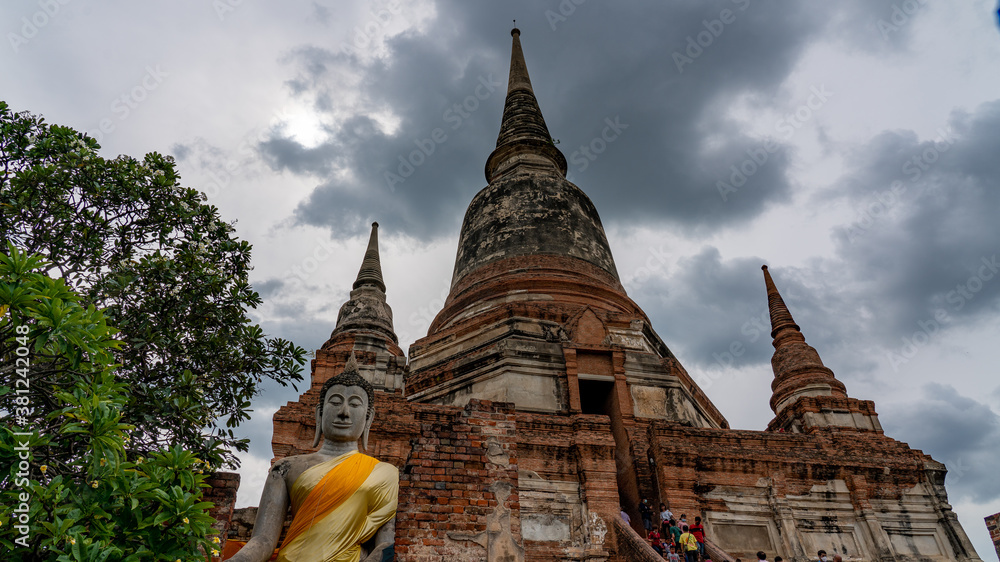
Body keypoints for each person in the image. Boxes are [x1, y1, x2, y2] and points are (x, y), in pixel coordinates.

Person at [229, 354, 398, 562]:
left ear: (368, 418)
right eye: (335, 402)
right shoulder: (286, 468)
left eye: (354, 404)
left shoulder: (384, 473)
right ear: (319, 413)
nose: (344, 412)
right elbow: (263, 539)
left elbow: (387, 543)